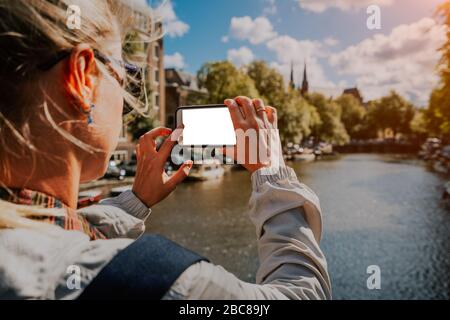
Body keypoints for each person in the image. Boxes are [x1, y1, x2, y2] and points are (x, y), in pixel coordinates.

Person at [0, 0, 331, 299]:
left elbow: (58, 231)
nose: (129, 98)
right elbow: (304, 294)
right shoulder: (162, 284)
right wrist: (272, 173)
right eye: (127, 76)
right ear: (82, 77)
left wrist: (135, 201)